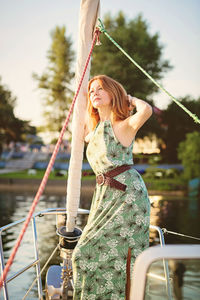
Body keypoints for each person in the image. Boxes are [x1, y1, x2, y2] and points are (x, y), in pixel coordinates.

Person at [72, 74, 152, 300]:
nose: (94, 93)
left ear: (112, 94)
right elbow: (77, 127)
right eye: (92, 90)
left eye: (100, 89)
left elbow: (146, 111)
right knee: (85, 254)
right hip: (105, 195)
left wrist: (129, 98)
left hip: (128, 196)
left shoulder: (123, 126)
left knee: (91, 252)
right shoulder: (95, 130)